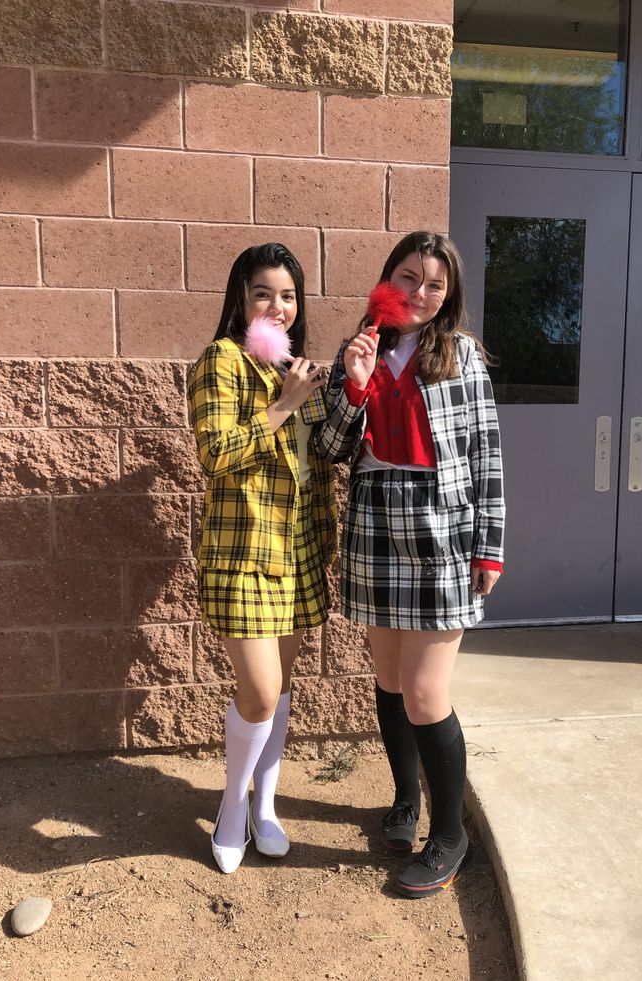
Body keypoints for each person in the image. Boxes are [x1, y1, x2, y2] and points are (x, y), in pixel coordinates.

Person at [315, 231, 504, 898]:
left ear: (449, 295)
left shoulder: (461, 356)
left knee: (427, 693)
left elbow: (486, 457)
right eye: (408, 276)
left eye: (435, 284)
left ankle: (451, 834)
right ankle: (405, 801)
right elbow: (333, 446)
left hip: (439, 531)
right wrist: (355, 387)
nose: (419, 292)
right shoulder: (358, 349)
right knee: (391, 679)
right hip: (372, 527)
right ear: (387, 278)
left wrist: (491, 546)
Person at [187, 243, 336, 874]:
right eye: (262, 294)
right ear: (240, 300)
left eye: (288, 296)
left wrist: (341, 393)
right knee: (260, 691)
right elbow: (216, 453)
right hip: (243, 551)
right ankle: (231, 805)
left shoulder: (297, 369)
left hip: (298, 551)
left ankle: (266, 808)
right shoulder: (221, 361)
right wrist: (285, 406)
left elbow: (324, 458)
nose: (277, 307)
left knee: (279, 692)